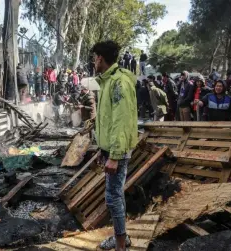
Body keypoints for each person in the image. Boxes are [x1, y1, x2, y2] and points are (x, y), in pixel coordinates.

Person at [91, 40, 137, 251]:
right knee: (115, 195)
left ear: (100, 57)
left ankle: (121, 245)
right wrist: (103, 149)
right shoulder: (108, 81)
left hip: (118, 150)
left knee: (113, 197)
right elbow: (107, 119)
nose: (93, 61)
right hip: (112, 149)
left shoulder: (118, 83)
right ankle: (122, 238)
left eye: (94, 57)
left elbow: (121, 120)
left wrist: (115, 155)